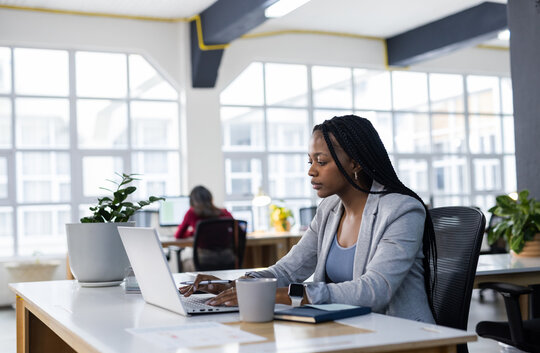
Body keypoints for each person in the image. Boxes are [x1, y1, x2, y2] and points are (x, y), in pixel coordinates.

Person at [180, 115, 437, 324]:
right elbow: (287, 271)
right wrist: (235, 285)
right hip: (344, 328)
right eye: (310, 160)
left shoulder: (402, 210)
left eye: (321, 161)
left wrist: (287, 295)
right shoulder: (329, 209)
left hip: (399, 334)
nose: (311, 170)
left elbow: (375, 290)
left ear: (355, 164)